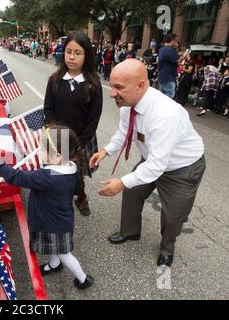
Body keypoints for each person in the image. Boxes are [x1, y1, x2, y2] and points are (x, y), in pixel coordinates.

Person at [90, 59, 205, 267]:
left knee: (173, 216)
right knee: (133, 191)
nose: (111, 93)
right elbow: (125, 132)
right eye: (112, 86)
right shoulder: (128, 103)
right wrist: (105, 151)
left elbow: (156, 167)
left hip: (182, 168)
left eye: (118, 87)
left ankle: (167, 248)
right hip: (154, 159)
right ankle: (131, 231)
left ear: (141, 85)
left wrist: (121, 182)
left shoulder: (164, 115)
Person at [0, 125, 95, 290]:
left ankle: (83, 279)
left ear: (58, 156)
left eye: (42, 149)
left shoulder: (47, 177)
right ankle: (54, 264)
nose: (38, 151)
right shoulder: (70, 167)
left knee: (65, 254)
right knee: (57, 250)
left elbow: (16, 177)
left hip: (52, 224)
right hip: (59, 220)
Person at [44, 30, 103, 216]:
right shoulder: (54, 80)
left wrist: (80, 143)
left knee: (77, 175)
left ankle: (81, 198)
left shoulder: (93, 84)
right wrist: (56, 135)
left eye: (78, 53)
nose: (71, 57)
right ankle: (60, 203)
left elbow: (94, 117)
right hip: (56, 138)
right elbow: (48, 109)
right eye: (68, 51)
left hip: (81, 140)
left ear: (87, 55)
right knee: (57, 174)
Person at [157, 34, 185, 99]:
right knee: (170, 94)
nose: (177, 43)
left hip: (162, 75)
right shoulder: (169, 50)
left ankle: (159, 108)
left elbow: (172, 59)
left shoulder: (163, 49)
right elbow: (177, 61)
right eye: (176, 41)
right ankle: (165, 108)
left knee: (161, 95)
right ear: (172, 41)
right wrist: (184, 56)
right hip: (168, 76)